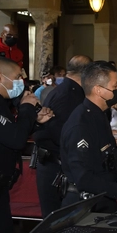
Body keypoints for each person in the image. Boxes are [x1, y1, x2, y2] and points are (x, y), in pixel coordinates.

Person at [0, 57, 53, 233]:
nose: (21, 82)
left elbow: (8, 133)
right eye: (17, 77)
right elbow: (15, 139)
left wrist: (33, 119)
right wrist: (27, 108)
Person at [60, 61, 117, 212]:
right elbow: (83, 178)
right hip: (85, 205)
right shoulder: (81, 124)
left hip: (102, 197)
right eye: (115, 86)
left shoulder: (99, 114)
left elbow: (109, 152)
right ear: (99, 90)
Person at [33, 55, 92, 217]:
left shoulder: (67, 91)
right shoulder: (68, 96)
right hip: (57, 168)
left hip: (56, 164)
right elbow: (64, 135)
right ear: (86, 73)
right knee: (58, 225)